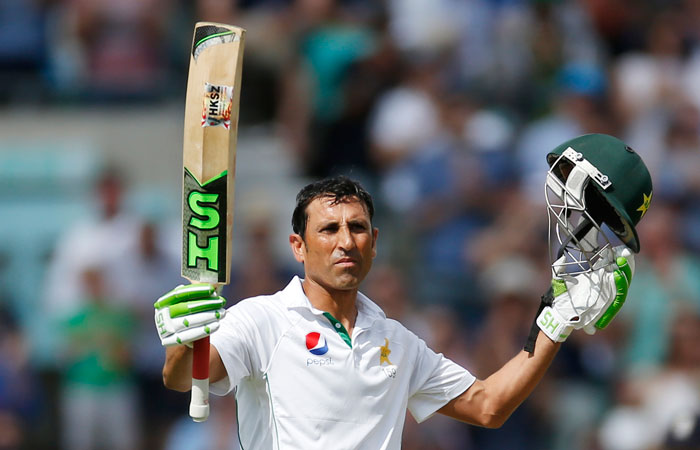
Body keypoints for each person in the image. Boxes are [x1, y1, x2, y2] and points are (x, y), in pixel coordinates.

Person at [154, 148, 640, 449]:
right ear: (297, 246)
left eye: (357, 228)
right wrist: (184, 338)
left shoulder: (398, 341)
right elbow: (186, 377)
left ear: (375, 241)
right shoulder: (261, 318)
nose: (345, 241)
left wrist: (555, 321)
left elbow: (489, 406)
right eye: (328, 229)